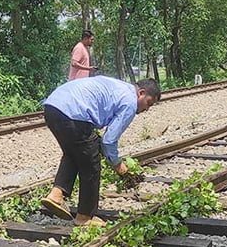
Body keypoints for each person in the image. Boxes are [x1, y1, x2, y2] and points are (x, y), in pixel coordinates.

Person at [40, 77, 161, 227]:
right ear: (141, 93)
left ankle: (56, 195)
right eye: (148, 103)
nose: (146, 109)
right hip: (75, 113)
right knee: (91, 164)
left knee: (74, 153)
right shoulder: (130, 102)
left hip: (52, 107)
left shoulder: (120, 87)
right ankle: (84, 217)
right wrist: (118, 166)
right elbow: (109, 141)